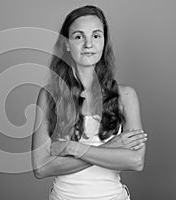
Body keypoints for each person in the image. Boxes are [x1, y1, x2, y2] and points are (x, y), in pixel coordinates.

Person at [31, 5, 147, 200]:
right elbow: (41, 168)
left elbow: (136, 161)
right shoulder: (49, 96)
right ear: (67, 44)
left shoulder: (126, 96)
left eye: (96, 35)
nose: (88, 44)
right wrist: (110, 147)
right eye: (78, 36)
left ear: (104, 41)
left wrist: (72, 148)